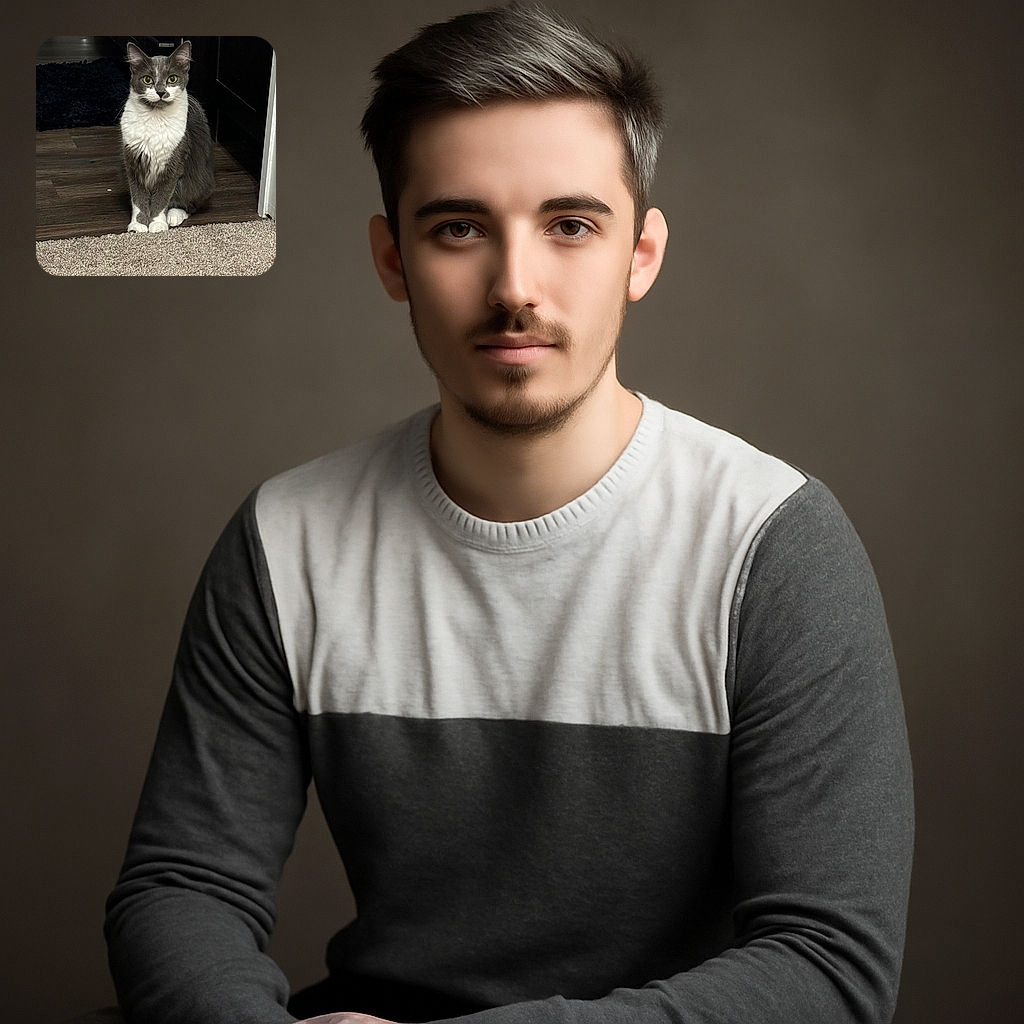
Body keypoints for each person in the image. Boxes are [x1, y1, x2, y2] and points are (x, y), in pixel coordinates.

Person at [104, 5, 914, 1024]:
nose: (514, 287)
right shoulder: (286, 540)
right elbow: (182, 891)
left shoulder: (772, 543)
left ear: (641, 255)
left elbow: (830, 969)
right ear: (392, 259)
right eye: (457, 228)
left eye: (570, 224)